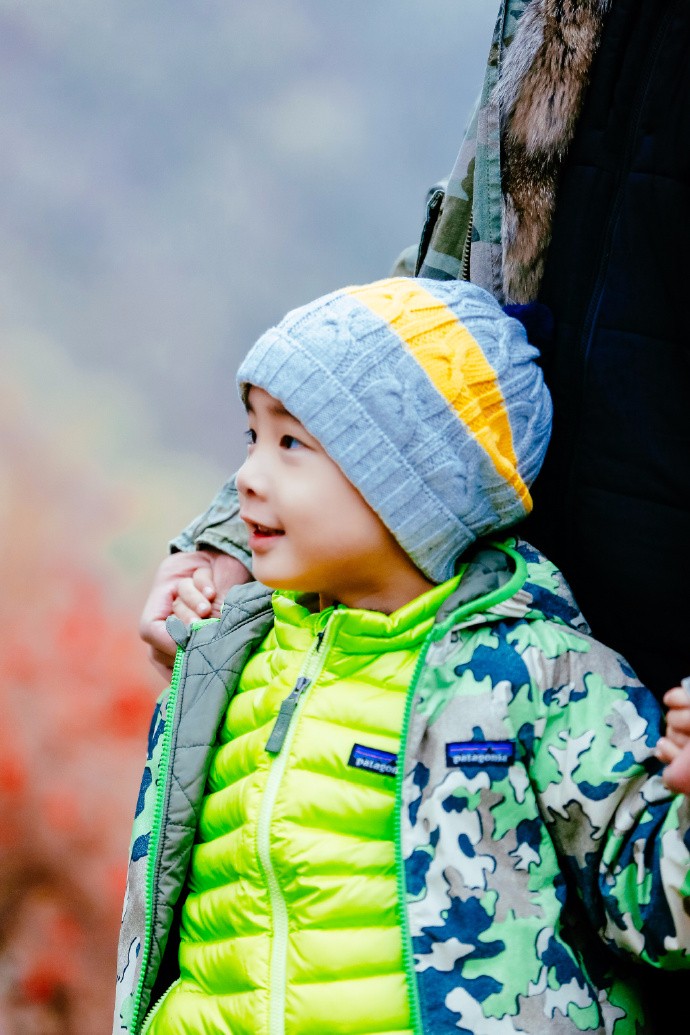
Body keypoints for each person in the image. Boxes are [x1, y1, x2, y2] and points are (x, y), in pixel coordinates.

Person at [116, 277, 690, 1035]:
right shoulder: (239, 654)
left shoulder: (538, 672)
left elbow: (656, 915)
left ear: (413, 486)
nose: (248, 477)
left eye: (292, 443)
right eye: (251, 438)